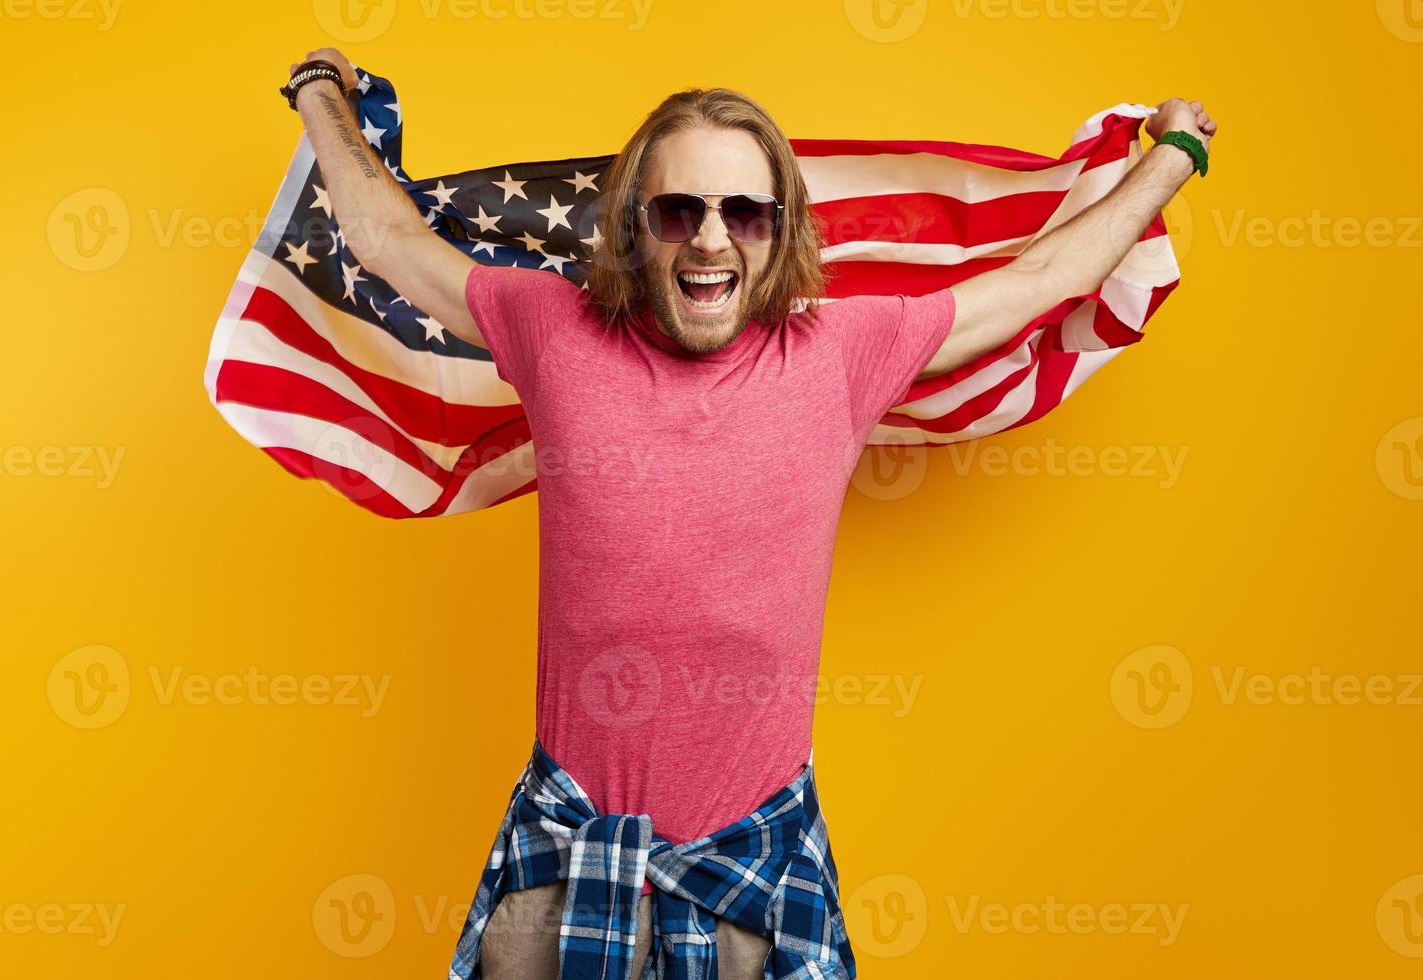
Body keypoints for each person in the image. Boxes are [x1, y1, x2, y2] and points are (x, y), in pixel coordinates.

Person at [282, 47, 1217, 980]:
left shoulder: (845, 350)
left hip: (754, 868)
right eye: (678, 209)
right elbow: (390, 242)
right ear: (634, 224)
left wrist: (1172, 153)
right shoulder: (547, 324)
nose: (710, 239)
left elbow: (1040, 281)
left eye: (744, 212)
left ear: (781, 227)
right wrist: (321, 95)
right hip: (565, 861)